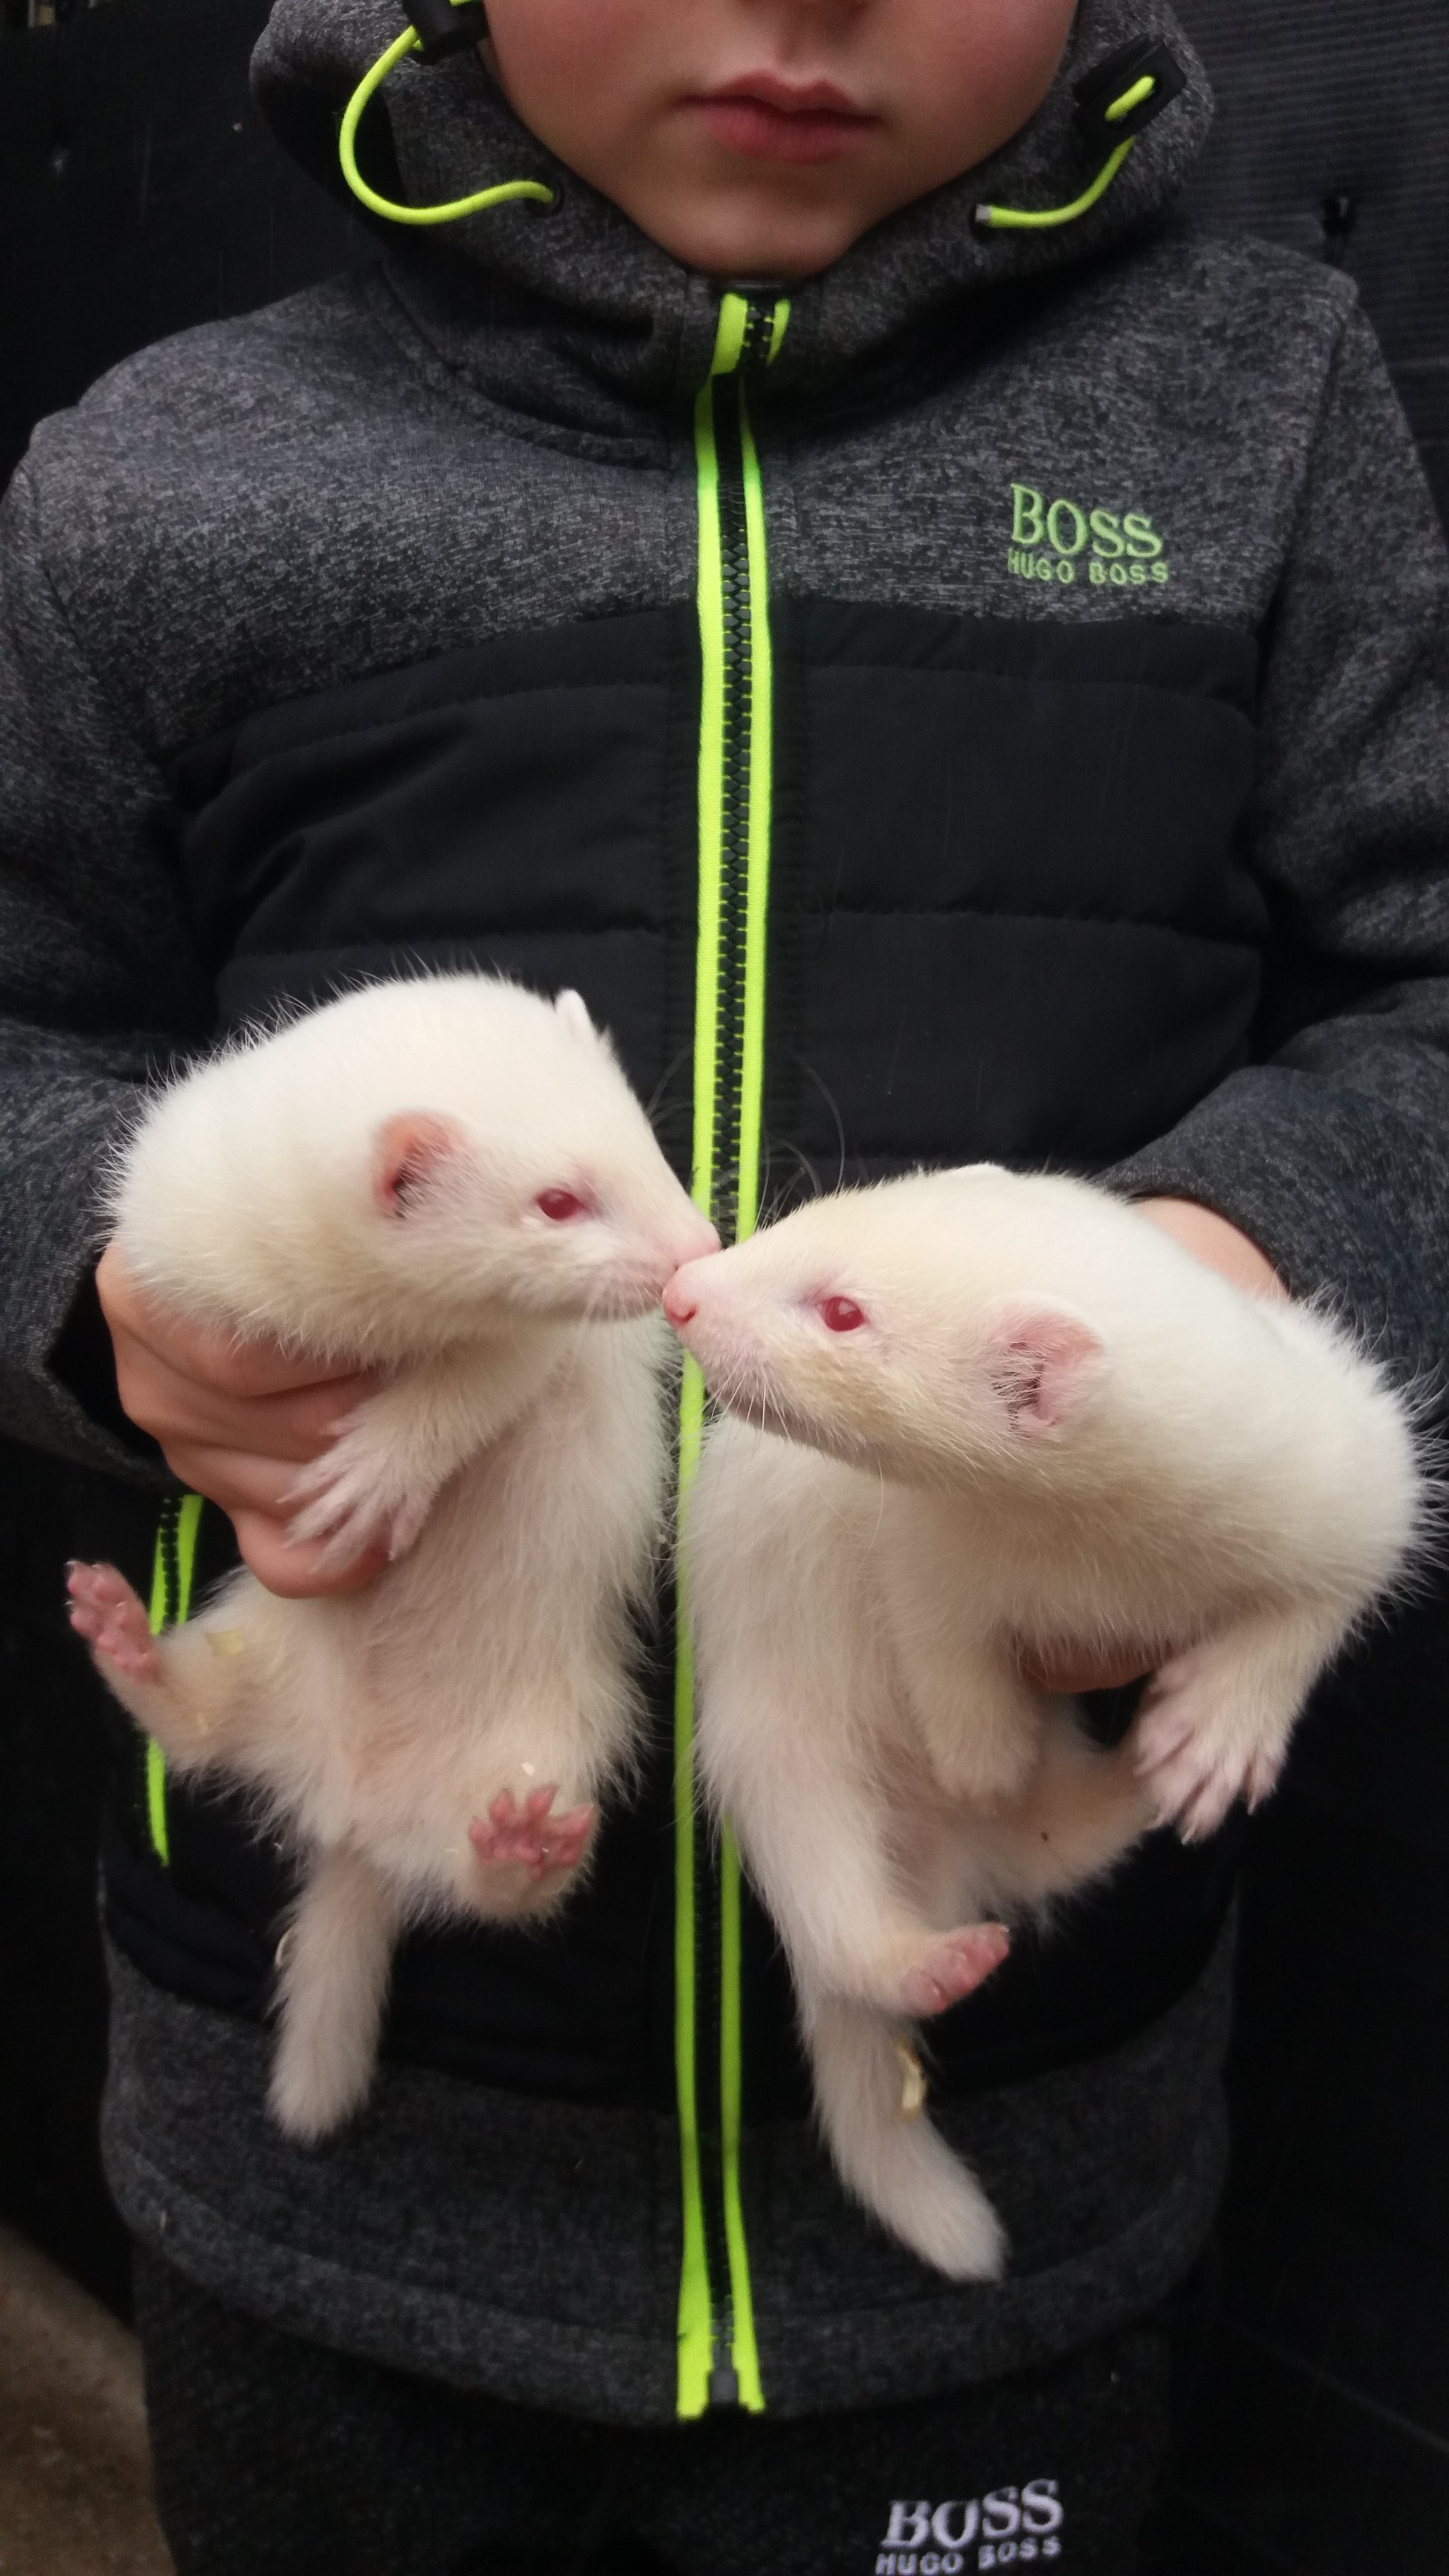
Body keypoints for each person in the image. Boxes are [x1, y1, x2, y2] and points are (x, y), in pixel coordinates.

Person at [1, 0, 1446, 2566]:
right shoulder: (159, 479)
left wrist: (1233, 1279)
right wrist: (89, 1268)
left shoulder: (1265, 412)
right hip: (318, 2150)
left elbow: (1414, 988)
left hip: (1035, 2119)